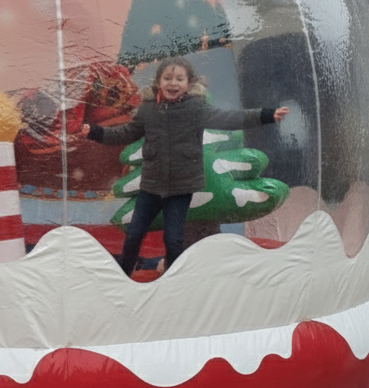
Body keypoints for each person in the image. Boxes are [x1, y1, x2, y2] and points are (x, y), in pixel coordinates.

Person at [81, 57, 289, 276]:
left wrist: (266, 115)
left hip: (180, 188)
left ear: (188, 84)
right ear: (158, 82)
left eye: (179, 79)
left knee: (173, 238)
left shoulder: (195, 109)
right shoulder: (149, 110)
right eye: (168, 78)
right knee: (134, 233)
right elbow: (126, 133)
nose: (173, 83)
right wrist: (95, 132)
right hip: (152, 187)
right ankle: (124, 274)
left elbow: (229, 118)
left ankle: (174, 276)